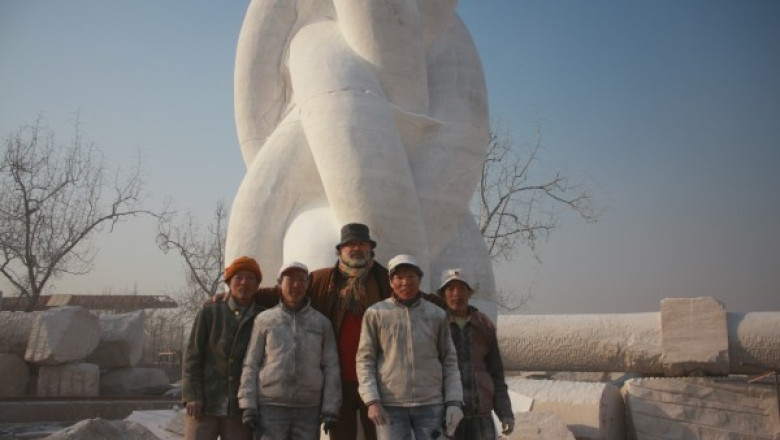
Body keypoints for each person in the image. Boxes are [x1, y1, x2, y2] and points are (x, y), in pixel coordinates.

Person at [233, 223, 390, 440]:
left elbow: (409, 293)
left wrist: (446, 302)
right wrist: (239, 297)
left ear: (370, 248)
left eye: (362, 244)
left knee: (378, 436)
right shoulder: (322, 279)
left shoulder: (383, 279)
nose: (356, 249)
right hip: (339, 380)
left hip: (375, 378)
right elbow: (286, 292)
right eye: (350, 244)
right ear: (340, 250)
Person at [356, 254, 464, 440]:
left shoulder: (436, 315)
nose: (405, 282)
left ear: (420, 280)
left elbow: (449, 360)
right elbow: (365, 359)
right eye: (399, 277)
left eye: (411, 276)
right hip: (390, 405)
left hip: (431, 404)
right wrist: (372, 400)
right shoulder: (376, 313)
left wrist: (454, 401)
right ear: (391, 282)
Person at [238, 261, 341, 440]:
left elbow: (331, 366)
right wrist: (248, 405)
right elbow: (251, 363)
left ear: (308, 285)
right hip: (270, 406)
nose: (296, 285)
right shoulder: (265, 320)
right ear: (280, 284)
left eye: (301, 280)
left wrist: (331, 406)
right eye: (290, 280)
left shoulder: (321, 323)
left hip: (309, 409)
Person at [182, 256, 266, 440]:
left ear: (258, 284)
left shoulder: (263, 317)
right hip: (205, 404)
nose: (244, 282)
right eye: (239, 277)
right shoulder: (210, 312)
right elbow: (192, 356)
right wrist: (192, 394)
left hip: (240, 408)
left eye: (250, 278)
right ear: (229, 282)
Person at [437, 268, 515, 439]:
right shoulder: (437, 325)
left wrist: (505, 411)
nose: (456, 294)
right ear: (443, 294)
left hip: (480, 416)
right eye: (450, 289)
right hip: (447, 416)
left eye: (462, 288)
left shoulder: (483, 325)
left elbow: (496, 373)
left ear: (470, 292)